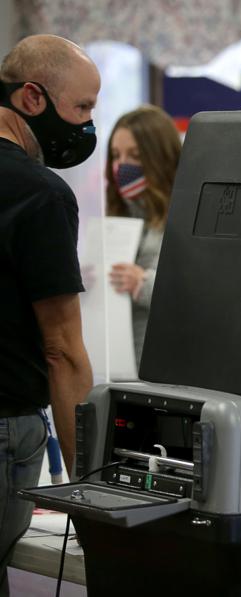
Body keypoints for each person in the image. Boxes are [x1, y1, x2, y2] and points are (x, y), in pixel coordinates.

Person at [0, 34, 98, 593]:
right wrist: (89, 494)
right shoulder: (40, 194)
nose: (87, 124)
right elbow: (62, 348)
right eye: (81, 107)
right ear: (32, 99)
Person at [104, 105, 181, 364]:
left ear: (160, 157)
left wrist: (143, 283)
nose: (121, 166)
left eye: (135, 156)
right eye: (116, 156)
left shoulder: (188, 217)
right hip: (121, 367)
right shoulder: (117, 215)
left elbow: (206, 296)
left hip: (170, 368)